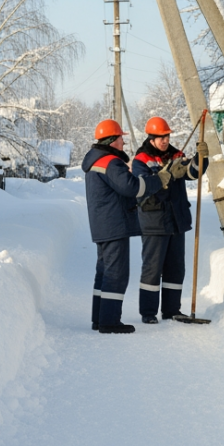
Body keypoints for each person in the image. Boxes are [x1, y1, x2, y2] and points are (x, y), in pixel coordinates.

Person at [81, 119, 168, 334]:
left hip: (103, 224)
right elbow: (132, 187)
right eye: (121, 138)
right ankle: (109, 321)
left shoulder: (96, 161)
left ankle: (99, 318)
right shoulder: (110, 162)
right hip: (114, 225)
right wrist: (160, 179)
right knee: (116, 273)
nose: (123, 142)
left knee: (103, 272)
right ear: (112, 140)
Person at [132, 116, 208, 324]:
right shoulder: (141, 160)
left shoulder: (177, 154)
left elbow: (192, 174)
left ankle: (172, 310)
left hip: (177, 220)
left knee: (176, 268)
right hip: (154, 221)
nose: (164, 140)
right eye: (160, 137)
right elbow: (144, 186)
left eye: (166, 136)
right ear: (151, 138)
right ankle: (148, 312)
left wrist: (201, 161)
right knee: (153, 268)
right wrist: (167, 173)